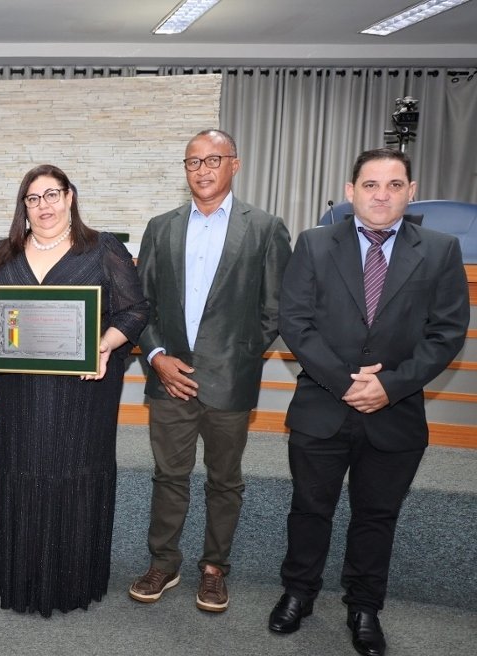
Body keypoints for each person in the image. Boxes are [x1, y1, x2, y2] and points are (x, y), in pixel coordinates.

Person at [268, 148, 468, 656]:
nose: (382, 195)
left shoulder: (441, 249)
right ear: (352, 190)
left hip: (396, 411)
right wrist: (346, 382)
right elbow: (296, 321)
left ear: (411, 190)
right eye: (372, 185)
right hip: (323, 405)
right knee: (310, 508)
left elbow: (447, 333)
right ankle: (298, 592)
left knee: (376, 516)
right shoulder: (313, 244)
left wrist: (390, 386)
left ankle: (364, 606)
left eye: (394, 185)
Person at [0, 164, 148, 617]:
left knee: (76, 472)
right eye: (33, 198)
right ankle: (20, 576)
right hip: (22, 394)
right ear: (23, 207)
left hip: (84, 394)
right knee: (24, 471)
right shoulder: (5, 254)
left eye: (51, 195)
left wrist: (104, 346)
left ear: (70, 197)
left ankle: (73, 580)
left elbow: (135, 311)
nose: (43, 205)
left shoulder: (103, 248)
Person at [130, 129, 291, 613]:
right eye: (193, 162)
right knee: (169, 476)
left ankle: (215, 568)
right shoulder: (161, 227)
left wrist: (234, 358)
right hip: (169, 379)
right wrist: (158, 357)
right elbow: (141, 305)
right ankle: (165, 562)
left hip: (230, 380)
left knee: (225, 480)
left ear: (234, 165)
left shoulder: (264, 227)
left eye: (213, 160)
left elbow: (274, 311)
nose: (202, 170)